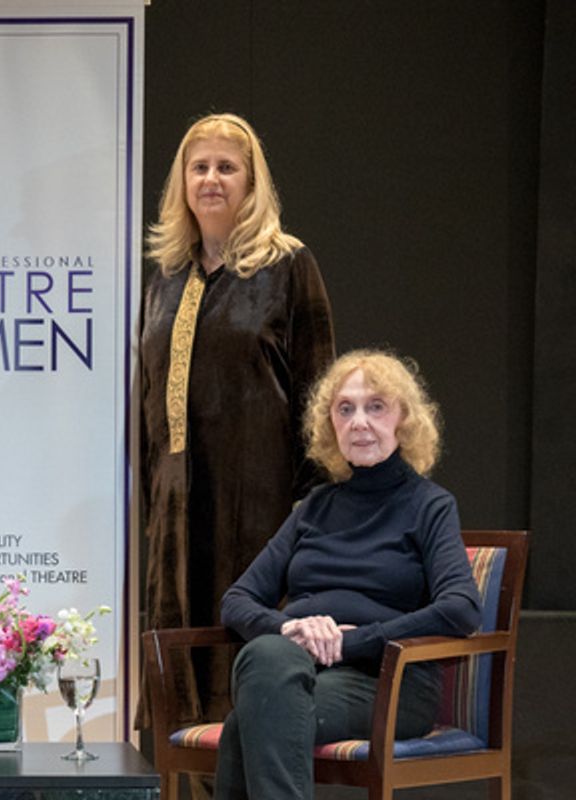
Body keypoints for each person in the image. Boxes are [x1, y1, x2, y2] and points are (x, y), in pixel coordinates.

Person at [140, 112, 336, 739]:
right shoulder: (165, 276)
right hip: (174, 511)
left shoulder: (289, 265)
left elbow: (319, 394)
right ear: (182, 183)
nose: (211, 180)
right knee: (175, 668)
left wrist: (312, 508)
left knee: (246, 661)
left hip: (261, 506)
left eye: (227, 167)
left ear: (252, 183)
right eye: (199, 168)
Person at [213, 349, 482, 799]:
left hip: (388, 683)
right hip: (296, 671)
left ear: (403, 420)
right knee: (268, 659)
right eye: (345, 409)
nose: (359, 422)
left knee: (252, 715)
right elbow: (237, 600)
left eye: (375, 407)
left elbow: (461, 607)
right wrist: (293, 627)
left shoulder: (430, 505)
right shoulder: (314, 507)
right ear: (330, 426)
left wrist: (350, 641)